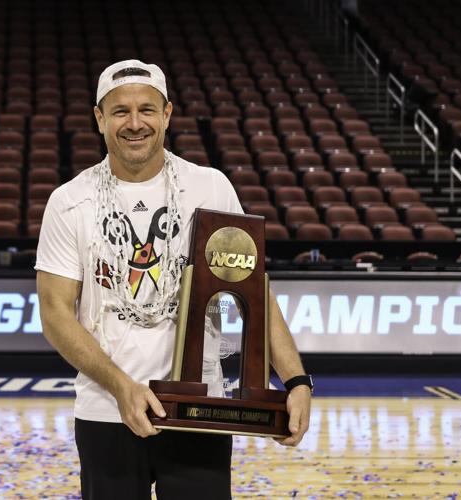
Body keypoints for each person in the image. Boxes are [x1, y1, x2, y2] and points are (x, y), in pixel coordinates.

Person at [35, 59, 312, 499]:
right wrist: (123, 388)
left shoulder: (211, 187)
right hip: (107, 410)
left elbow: (252, 292)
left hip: (199, 411)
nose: (134, 123)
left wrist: (295, 380)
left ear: (167, 115)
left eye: (147, 109)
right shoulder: (70, 201)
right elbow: (54, 314)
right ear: (99, 118)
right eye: (120, 111)